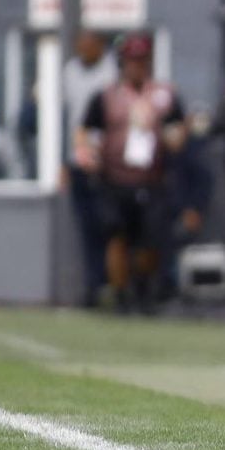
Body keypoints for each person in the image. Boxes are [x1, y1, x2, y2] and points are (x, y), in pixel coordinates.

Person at [77, 32, 184, 314]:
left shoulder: (163, 94)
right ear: (123, 62)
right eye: (131, 61)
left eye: (142, 61)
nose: (137, 66)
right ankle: (121, 294)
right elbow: (87, 129)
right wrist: (87, 152)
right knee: (117, 237)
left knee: (149, 241)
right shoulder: (107, 95)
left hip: (152, 178)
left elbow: (179, 130)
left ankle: (143, 288)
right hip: (115, 179)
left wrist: (164, 131)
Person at [63, 30, 118, 307]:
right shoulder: (70, 72)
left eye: (88, 44)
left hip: (107, 165)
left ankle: (111, 285)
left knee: (108, 227)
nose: (83, 49)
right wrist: (64, 160)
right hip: (79, 160)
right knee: (87, 228)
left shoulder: (111, 74)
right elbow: (66, 119)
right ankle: (94, 285)